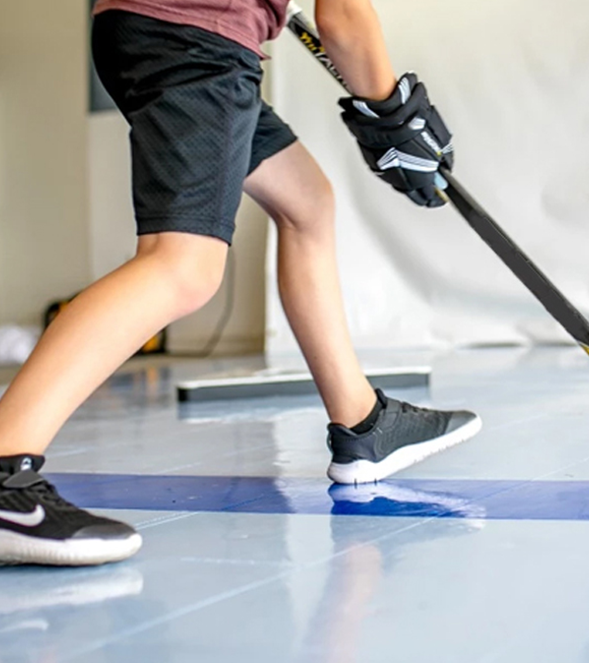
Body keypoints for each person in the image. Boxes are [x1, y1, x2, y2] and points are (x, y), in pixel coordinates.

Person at [0, 0, 481, 566]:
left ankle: (363, 424)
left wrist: (388, 117)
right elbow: (344, 16)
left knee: (306, 201)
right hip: (192, 38)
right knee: (182, 266)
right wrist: (394, 115)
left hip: (165, 29)